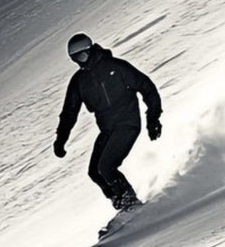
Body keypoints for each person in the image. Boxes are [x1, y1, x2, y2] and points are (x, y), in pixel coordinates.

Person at [53, 32, 162, 221]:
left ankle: (131, 204)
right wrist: (61, 139)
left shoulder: (116, 67)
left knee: (107, 166)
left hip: (128, 124)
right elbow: (69, 112)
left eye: (81, 56)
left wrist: (152, 119)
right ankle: (120, 202)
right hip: (108, 130)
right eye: (75, 59)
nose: (80, 62)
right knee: (94, 171)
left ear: (89, 50)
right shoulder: (79, 81)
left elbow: (146, 87)